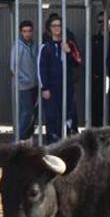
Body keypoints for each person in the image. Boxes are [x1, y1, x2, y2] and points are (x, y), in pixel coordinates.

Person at [39, 14, 80, 142]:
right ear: (49, 28)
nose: (57, 28)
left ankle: (67, 142)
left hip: (67, 86)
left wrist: (69, 52)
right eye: (54, 26)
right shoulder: (45, 47)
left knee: (68, 114)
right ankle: (52, 144)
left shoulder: (69, 44)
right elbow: (41, 69)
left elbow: (78, 62)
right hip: (51, 88)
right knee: (52, 116)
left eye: (59, 25)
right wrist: (44, 87)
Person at [10, 19, 38, 140]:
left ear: (32, 31)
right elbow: (13, 67)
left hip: (34, 85)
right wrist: (23, 80)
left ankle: (25, 140)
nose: (27, 33)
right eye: (24, 31)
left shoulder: (34, 45)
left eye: (29, 31)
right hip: (23, 86)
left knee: (31, 114)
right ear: (21, 32)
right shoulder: (18, 46)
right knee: (27, 113)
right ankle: (16, 141)